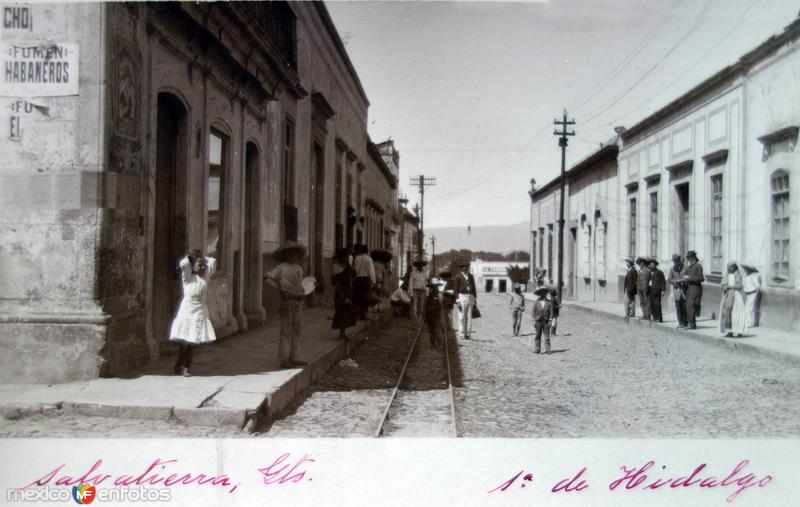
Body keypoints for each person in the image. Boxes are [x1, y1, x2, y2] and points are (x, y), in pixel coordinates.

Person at [170, 249, 217, 377]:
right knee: (184, 341)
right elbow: (184, 264)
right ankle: (179, 365)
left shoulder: (205, 276)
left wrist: (202, 258)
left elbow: (213, 261)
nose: (202, 266)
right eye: (199, 264)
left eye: (202, 265)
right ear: (192, 266)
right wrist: (190, 257)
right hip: (186, 312)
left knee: (193, 341)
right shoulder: (187, 277)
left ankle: (186, 367)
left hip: (199, 312)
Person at [264, 241, 308, 368]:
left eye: (295, 253)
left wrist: (304, 290)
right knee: (286, 330)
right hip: (287, 301)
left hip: (298, 301)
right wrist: (279, 289)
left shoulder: (299, 268)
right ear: (285, 255)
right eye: (290, 253)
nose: (293, 255)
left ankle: (294, 357)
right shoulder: (280, 268)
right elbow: (267, 278)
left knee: (297, 330)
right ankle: (284, 359)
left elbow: (300, 284)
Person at [331, 248, 356, 340]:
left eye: (347, 257)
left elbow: (354, 274)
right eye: (344, 257)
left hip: (348, 291)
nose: (346, 258)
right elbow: (335, 283)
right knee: (340, 312)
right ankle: (341, 333)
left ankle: (343, 332)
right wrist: (341, 295)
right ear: (340, 257)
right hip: (340, 293)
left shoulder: (348, 266)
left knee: (346, 312)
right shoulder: (336, 267)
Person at [719, 261, 748, 337]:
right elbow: (722, 284)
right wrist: (724, 287)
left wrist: (730, 287)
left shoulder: (738, 275)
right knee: (727, 313)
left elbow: (740, 285)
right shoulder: (726, 276)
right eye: (728, 267)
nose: (729, 268)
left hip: (736, 296)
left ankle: (739, 331)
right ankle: (729, 331)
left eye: (731, 267)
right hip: (728, 296)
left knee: (736, 314)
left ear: (734, 267)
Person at [452, 258, 478, 339]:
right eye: (463, 267)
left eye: (466, 266)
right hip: (461, 296)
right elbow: (455, 289)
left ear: (468, 267)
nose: (465, 268)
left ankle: (468, 334)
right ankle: (461, 333)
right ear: (461, 268)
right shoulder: (458, 276)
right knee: (461, 316)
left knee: (469, 316)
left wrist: (475, 299)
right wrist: (457, 300)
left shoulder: (471, 276)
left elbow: (474, 288)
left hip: (470, 296)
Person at [681, 250, 705, 330]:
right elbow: (684, 275)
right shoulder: (689, 267)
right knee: (688, 306)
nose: (688, 260)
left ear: (693, 258)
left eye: (689, 258)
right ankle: (691, 324)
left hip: (695, 289)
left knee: (692, 306)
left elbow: (701, 278)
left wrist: (689, 278)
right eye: (688, 258)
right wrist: (682, 278)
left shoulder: (698, 266)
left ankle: (692, 325)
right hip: (689, 289)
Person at [352, 244, 376, 320]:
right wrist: (373, 281)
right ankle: (363, 315)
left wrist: (354, 280)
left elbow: (354, 270)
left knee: (358, 297)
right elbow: (371, 272)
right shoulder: (369, 259)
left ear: (361, 251)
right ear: (367, 251)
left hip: (358, 280)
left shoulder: (356, 259)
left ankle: (356, 314)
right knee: (365, 298)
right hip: (366, 280)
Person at [668, 254, 688, 329]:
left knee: (685, 307)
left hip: (684, 290)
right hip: (676, 290)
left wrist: (683, 281)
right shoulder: (672, 269)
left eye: (678, 261)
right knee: (678, 307)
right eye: (675, 261)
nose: (677, 263)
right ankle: (680, 322)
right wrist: (676, 282)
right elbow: (669, 279)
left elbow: (688, 277)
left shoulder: (685, 268)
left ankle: (686, 322)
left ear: (680, 260)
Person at [531, 286, 553, 354]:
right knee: (537, 335)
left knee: (546, 335)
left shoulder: (549, 302)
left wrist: (550, 320)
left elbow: (551, 312)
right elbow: (533, 312)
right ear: (539, 294)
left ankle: (548, 349)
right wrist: (533, 320)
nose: (542, 294)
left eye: (544, 292)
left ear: (546, 293)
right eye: (541, 293)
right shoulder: (536, 302)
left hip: (546, 321)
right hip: (538, 321)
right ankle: (537, 349)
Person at [424, 279, 443, 349]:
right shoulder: (430, 295)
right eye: (433, 286)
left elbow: (440, 305)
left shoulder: (439, 294)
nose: (435, 288)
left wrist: (433, 308)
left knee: (436, 329)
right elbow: (426, 305)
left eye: (436, 286)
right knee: (431, 330)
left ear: (438, 287)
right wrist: (425, 315)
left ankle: (440, 342)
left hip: (436, 315)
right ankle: (433, 344)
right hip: (429, 315)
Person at [648, 258, 666, 323]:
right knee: (652, 304)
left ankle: (659, 318)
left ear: (655, 265)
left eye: (653, 265)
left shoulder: (659, 272)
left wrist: (663, 290)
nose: (651, 266)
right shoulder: (649, 272)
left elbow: (663, 281)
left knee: (657, 304)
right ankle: (654, 317)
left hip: (657, 291)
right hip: (650, 290)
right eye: (650, 265)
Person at [623, 257, 638, 322]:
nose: (626, 263)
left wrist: (632, 289)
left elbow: (635, 281)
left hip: (630, 289)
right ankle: (627, 313)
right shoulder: (629, 270)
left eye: (627, 262)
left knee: (631, 301)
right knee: (626, 301)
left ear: (630, 263)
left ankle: (631, 313)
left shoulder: (634, 271)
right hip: (627, 288)